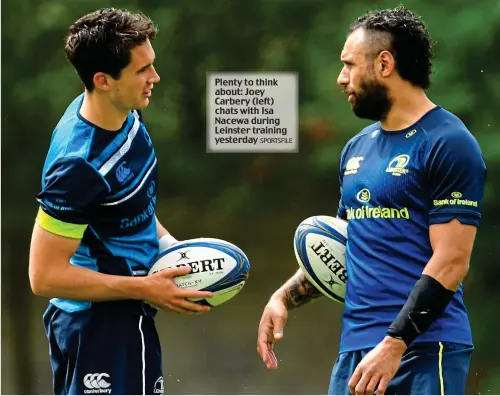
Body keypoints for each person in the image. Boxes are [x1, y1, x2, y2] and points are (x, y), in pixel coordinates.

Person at [257, 5, 486, 395]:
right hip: (358, 351)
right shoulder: (355, 150)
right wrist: (283, 297)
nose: (341, 78)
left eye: (349, 65)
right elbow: (348, 248)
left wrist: (395, 342)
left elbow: (452, 261)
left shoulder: (449, 142)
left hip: (424, 349)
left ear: (384, 63)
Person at [29, 8, 213, 395]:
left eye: (153, 64)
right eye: (142, 70)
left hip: (122, 315)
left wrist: (174, 252)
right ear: (104, 81)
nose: (155, 78)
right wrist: (145, 287)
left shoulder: (125, 115)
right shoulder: (78, 166)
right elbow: (44, 276)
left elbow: (134, 206)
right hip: (100, 326)